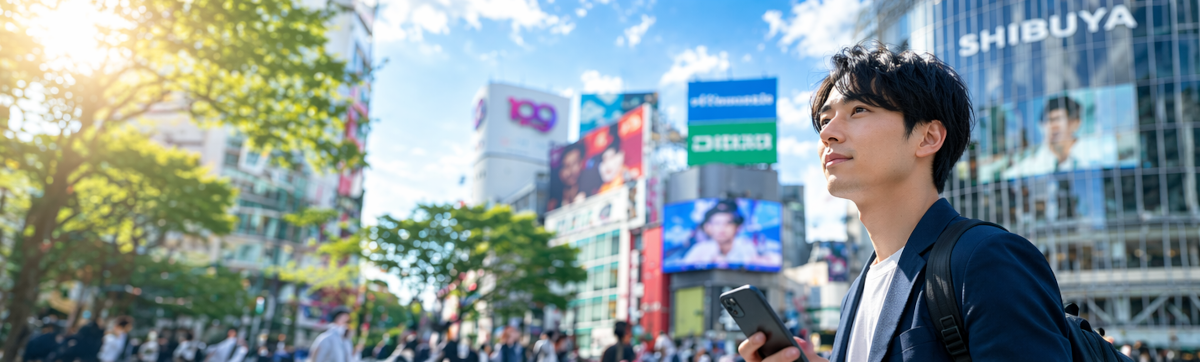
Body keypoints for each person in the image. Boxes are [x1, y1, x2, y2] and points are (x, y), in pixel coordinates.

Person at [736, 43, 1073, 361]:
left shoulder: (986, 258)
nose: (827, 134)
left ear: (928, 137)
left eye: (859, 110)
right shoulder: (857, 290)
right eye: (825, 120)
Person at [1002, 95, 1117, 178]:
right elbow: (1009, 175)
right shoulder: (1035, 162)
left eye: (1057, 119)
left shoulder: (1098, 152)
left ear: (1075, 123)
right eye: (1048, 120)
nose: (1053, 126)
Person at [679, 200, 769, 267]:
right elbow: (683, 267)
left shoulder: (747, 247)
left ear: (738, 227)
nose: (722, 228)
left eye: (728, 223)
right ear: (708, 227)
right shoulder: (700, 249)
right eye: (717, 223)